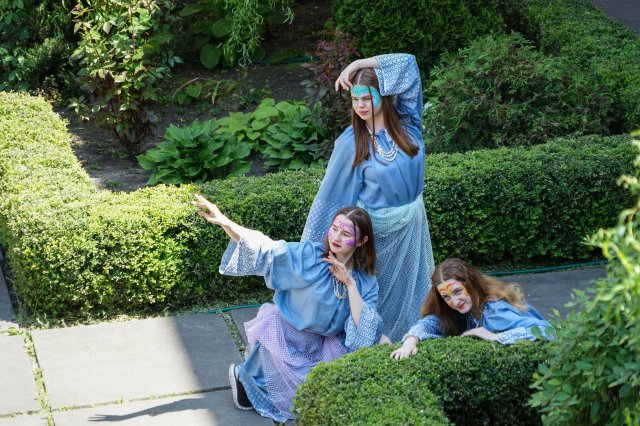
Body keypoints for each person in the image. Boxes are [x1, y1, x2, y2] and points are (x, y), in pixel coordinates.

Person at [192, 195, 383, 422]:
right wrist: (226, 222)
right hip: (285, 338)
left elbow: (365, 331)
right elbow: (267, 248)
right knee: (287, 398)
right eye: (334, 229)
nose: (336, 238)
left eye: (346, 234)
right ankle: (248, 379)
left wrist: (349, 283)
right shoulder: (310, 256)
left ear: (361, 241)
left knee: (324, 401)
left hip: (323, 346)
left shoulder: (366, 282)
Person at [301, 53, 435, 342]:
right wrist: (311, 254)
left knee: (413, 292)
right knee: (378, 297)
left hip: (413, 230)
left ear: (383, 95)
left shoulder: (408, 121)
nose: (360, 105)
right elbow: (331, 198)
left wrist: (358, 64)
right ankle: (375, 352)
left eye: (366, 97)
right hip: (375, 237)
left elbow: (408, 63)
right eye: (354, 99)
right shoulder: (351, 143)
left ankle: (411, 344)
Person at [390, 258, 555, 360]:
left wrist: (495, 337)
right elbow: (430, 322)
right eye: (446, 297)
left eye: (457, 291)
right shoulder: (462, 309)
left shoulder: (494, 310)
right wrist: (410, 340)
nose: (455, 302)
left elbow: (546, 330)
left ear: (471, 284)